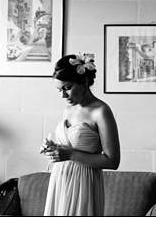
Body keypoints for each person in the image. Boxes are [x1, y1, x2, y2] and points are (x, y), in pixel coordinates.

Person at [42, 53, 122, 216]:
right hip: (60, 180)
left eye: (67, 88)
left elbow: (112, 161)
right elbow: (68, 146)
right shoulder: (68, 109)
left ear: (84, 82)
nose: (63, 96)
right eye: (59, 90)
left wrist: (70, 154)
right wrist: (52, 148)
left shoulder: (101, 111)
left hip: (83, 183)